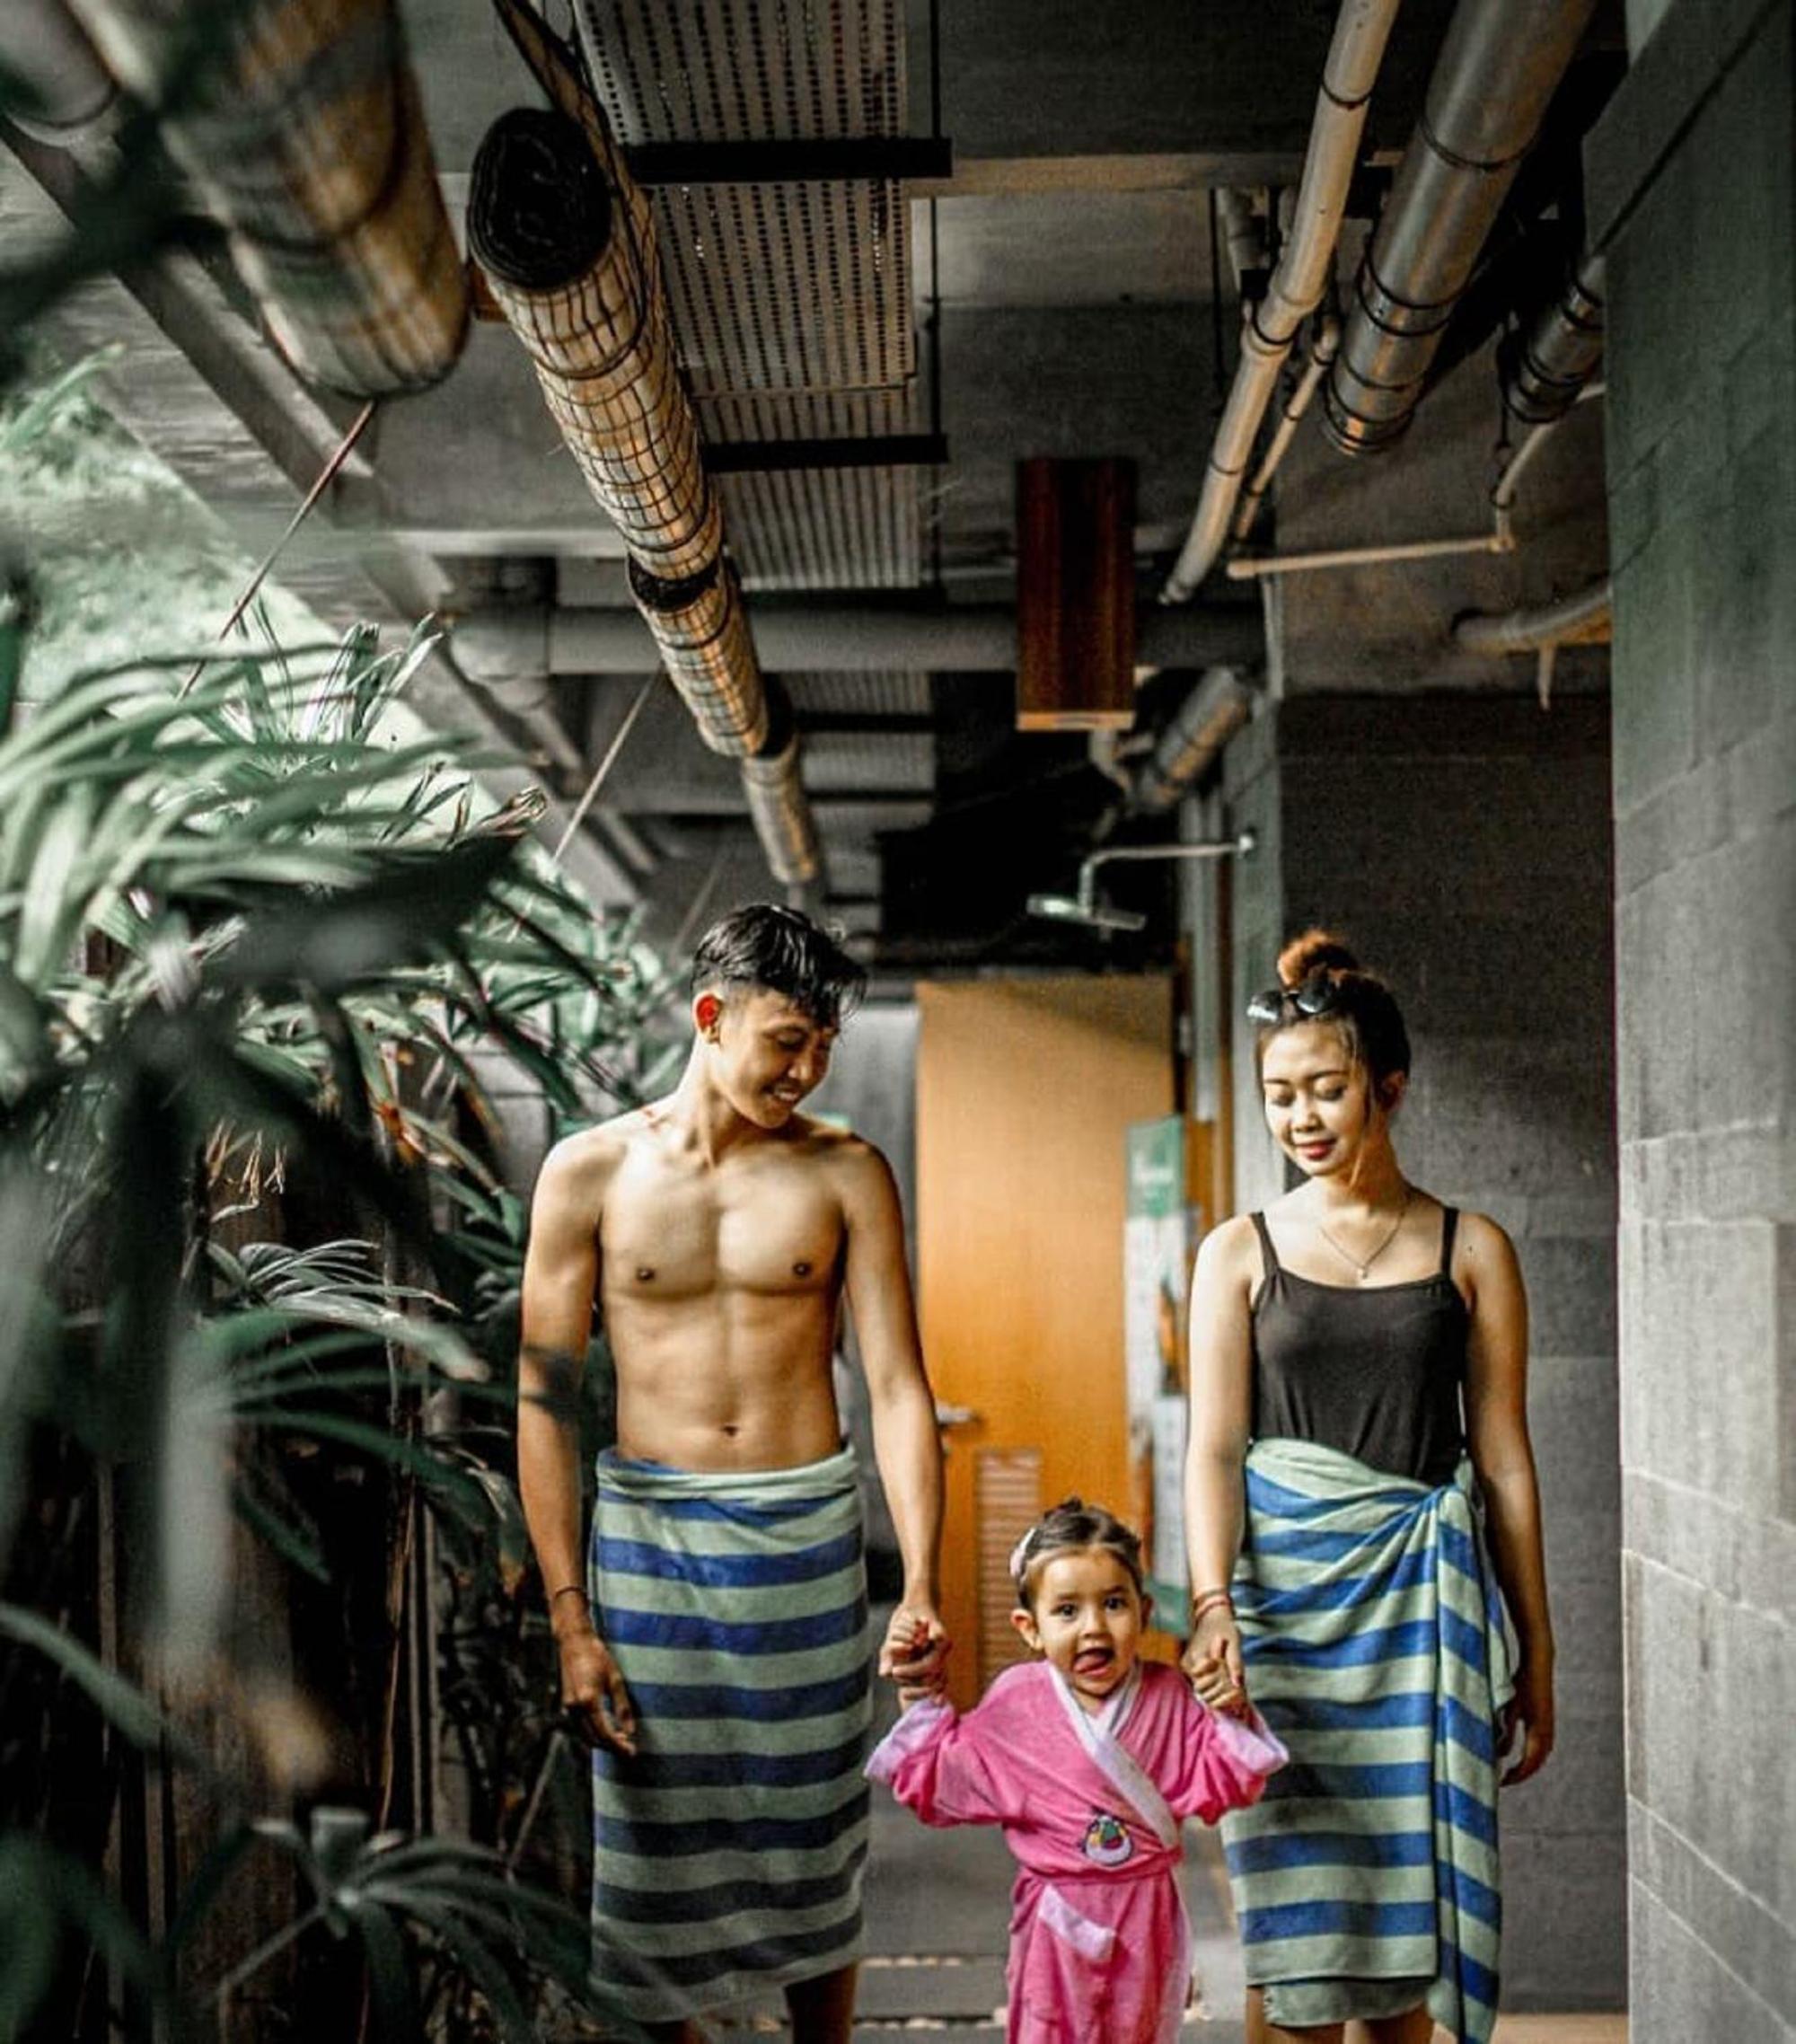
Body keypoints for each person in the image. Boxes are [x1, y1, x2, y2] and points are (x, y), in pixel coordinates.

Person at [516, 903, 949, 2044]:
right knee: (651, 1845)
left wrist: (918, 1579)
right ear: (711, 1015)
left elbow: (897, 1385)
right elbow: (542, 1401)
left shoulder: (847, 1172)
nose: (803, 1071)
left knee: (815, 1836)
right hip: (651, 1545)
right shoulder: (587, 1170)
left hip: (802, 1535)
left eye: (821, 1048)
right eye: (785, 1041)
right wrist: (569, 1618)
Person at [1181, 929, 1555, 2044]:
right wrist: (1209, 1602)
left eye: (1326, 1089)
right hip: (1283, 1627)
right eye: (1278, 1093)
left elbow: (1503, 1457)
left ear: (1387, 1086)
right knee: (1294, 1946)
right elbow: (1212, 1447)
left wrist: (1535, 1648)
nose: (1299, 1116)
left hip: (1420, 1628)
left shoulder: (1469, 1248)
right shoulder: (1236, 1250)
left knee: (1401, 1950)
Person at [867, 1499, 1287, 2043]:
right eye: (1067, 1611)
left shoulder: (1169, 1698)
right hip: (1055, 1920)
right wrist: (919, 1688)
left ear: (1144, 1611)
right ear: (1031, 1628)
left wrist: (1227, 1707)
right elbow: (943, 1774)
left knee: (1138, 2031)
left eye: (1113, 1603)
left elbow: (1226, 1778)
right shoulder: (1017, 1702)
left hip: (1146, 1915)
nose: (1093, 1628)